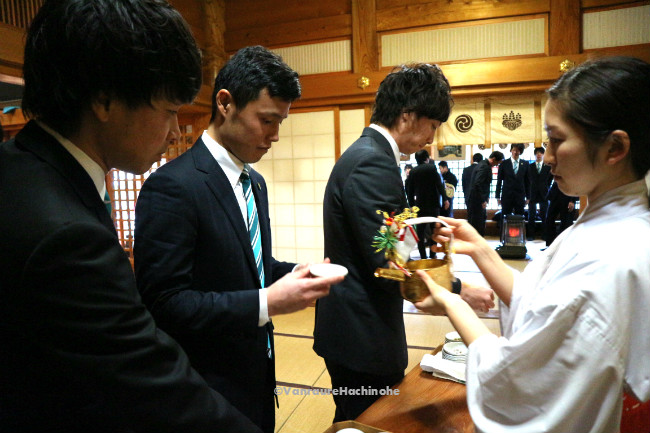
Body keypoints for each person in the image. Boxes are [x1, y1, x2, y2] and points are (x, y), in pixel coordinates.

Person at [0, 1, 264, 432]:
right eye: (169, 110)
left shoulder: (18, 166)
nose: (176, 131)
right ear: (105, 99)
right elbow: (155, 391)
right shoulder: (67, 238)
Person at [415, 56, 650, 433]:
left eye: (557, 140)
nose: (548, 157)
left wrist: (451, 301)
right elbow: (543, 307)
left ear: (614, 147)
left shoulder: (611, 254)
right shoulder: (613, 223)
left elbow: (516, 381)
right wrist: (481, 249)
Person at [133, 46, 343, 433]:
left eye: (280, 122)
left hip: (257, 370)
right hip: (205, 387)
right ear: (225, 103)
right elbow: (164, 304)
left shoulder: (254, 182)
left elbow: (252, 265)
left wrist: (296, 272)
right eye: (266, 120)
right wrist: (267, 302)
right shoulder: (173, 186)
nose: (274, 136)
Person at [313, 63, 454, 422]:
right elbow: (391, 264)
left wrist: (420, 235)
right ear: (407, 116)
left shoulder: (369, 155)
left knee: (355, 420)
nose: (432, 138)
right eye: (432, 125)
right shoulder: (372, 163)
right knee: (367, 422)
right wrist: (457, 289)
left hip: (353, 328)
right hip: (361, 334)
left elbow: (390, 239)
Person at [406, 149, 447, 259]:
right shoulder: (432, 168)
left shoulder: (413, 172)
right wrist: (445, 199)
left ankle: (423, 257)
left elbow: (410, 191)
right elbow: (439, 185)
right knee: (434, 231)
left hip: (420, 206)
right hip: (433, 205)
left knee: (420, 233)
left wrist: (412, 205)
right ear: (427, 158)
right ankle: (433, 254)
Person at [467, 151, 504, 236]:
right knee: (477, 224)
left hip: (475, 199)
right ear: (493, 159)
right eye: (497, 163)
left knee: (477, 223)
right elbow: (478, 184)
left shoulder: (482, 164)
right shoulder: (485, 167)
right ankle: (477, 242)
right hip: (477, 201)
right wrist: (483, 200)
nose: (497, 165)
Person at [496, 143, 530, 232]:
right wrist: (497, 196)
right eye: (514, 150)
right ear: (510, 150)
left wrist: (528, 197)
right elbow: (499, 181)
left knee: (520, 217)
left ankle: (520, 237)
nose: (515, 152)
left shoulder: (525, 164)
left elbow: (527, 182)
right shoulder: (504, 163)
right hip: (506, 195)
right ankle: (503, 236)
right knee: (504, 216)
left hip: (520, 195)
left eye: (517, 150)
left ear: (520, 152)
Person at [526, 146, 552, 240]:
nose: (539, 155)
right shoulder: (530, 166)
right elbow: (527, 180)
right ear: (534, 155)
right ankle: (531, 235)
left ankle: (544, 235)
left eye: (541, 153)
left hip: (544, 193)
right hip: (532, 193)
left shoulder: (548, 167)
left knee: (544, 215)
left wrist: (545, 187)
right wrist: (527, 195)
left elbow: (550, 180)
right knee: (531, 215)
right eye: (537, 153)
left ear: (544, 155)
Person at [544, 180, 577, 247]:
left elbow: (575, 182)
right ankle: (550, 245)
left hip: (568, 196)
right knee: (549, 219)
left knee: (566, 222)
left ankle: (564, 245)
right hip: (555, 194)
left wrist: (572, 200)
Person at [462, 152, 483, 220]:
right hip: (479, 197)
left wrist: (466, 195)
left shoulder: (466, 170)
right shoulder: (481, 169)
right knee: (478, 218)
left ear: (473, 160)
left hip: (468, 196)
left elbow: (463, 185)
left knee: (470, 216)